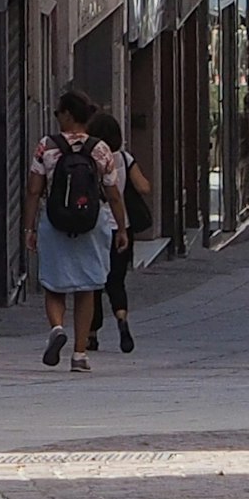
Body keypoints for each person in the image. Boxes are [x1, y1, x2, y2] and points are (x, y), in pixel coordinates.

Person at [31, 90, 120, 370]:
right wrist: (122, 228)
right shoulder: (101, 149)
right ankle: (80, 354)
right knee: (87, 288)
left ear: (68, 114)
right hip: (91, 223)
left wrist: (28, 227)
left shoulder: (47, 146)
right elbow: (113, 193)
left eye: (59, 112)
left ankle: (57, 328)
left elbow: (34, 190)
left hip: (55, 222)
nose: (57, 117)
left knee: (53, 284)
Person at [84, 105, 147, 353]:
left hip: (94, 227)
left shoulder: (90, 158)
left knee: (94, 282)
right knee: (116, 281)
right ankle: (121, 317)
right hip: (123, 227)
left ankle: (91, 333)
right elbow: (144, 187)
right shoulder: (125, 159)